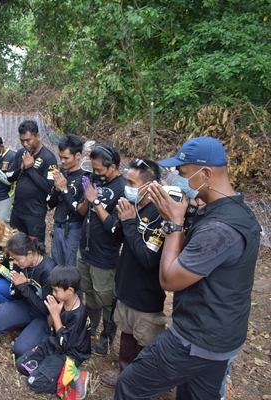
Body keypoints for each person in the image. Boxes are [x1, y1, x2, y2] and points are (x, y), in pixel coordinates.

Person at [115, 137, 261, 399]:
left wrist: (174, 223)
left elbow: (169, 280)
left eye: (182, 173)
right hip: (222, 336)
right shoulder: (234, 212)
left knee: (129, 385)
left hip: (196, 337)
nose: (178, 180)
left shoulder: (219, 229)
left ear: (205, 173)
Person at [99, 158, 167, 387]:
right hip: (126, 288)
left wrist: (128, 223)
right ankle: (124, 377)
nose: (126, 187)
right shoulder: (134, 207)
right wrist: (122, 219)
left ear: (150, 186)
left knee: (145, 342)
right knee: (126, 335)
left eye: (131, 183)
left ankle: (139, 385)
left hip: (146, 296)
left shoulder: (159, 215)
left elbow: (148, 259)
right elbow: (118, 238)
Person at [76, 143, 125, 355]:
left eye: (99, 169)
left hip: (104, 256)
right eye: (93, 169)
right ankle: (90, 329)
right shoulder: (95, 180)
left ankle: (106, 340)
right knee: (90, 294)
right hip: (85, 250)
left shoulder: (123, 188)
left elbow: (113, 227)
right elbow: (81, 211)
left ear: (112, 166)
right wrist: (87, 199)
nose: (95, 173)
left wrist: (95, 200)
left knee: (106, 300)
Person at [16, 265, 91, 398]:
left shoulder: (79, 315)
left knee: (34, 382)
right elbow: (50, 324)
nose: (53, 293)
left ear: (70, 290)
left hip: (69, 354)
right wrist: (53, 312)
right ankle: (47, 368)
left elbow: (64, 343)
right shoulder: (62, 300)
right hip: (54, 344)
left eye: (56, 290)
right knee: (22, 364)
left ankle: (75, 377)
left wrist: (56, 315)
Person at [0, 232, 56, 357]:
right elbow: (15, 295)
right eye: (13, 259)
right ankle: (25, 327)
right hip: (27, 305)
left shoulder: (48, 271)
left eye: (18, 259)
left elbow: (46, 309)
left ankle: (33, 333)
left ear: (30, 254)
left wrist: (24, 287)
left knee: (20, 350)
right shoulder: (21, 265)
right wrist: (17, 286)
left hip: (43, 316)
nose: (15, 262)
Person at [6, 120, 57, 243]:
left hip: (34, 214)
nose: (25, 144)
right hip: (17, 210)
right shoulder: (21, 153)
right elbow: (9, 176)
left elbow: (49, 188)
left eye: (28, 140)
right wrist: (22, 168)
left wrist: (30, 169)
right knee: (16, 246)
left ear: (37, 136)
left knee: (35, 248)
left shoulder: (49, 158)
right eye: (22, 140)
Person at [47, 134, 89, 266]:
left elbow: (80, 212)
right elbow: (51, 204)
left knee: (71, 269)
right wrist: (57, 188)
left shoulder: (85, 177)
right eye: (60, 157)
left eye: (66, 158)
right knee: (57, 267)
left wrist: (65, 190)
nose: (62, 161)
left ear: (78, 155)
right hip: (58, 227)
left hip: (73, 230)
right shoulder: (62, 173)